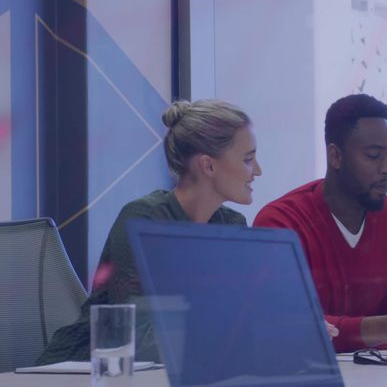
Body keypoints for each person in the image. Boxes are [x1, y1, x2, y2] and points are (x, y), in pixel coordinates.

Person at [38, 100, 260, 364]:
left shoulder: (231, 226)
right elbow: (138, 335)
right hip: (86, 373)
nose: (258, 171)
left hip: (173, 375)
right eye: (248, 159)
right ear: (208, 166)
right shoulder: (144, 219)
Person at [254, 94, 387, 353]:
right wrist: (386, 328)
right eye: (374, 156)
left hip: (385, 378)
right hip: (304, 377)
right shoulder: (281, 222)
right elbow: (282, 324)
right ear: (335, 156)